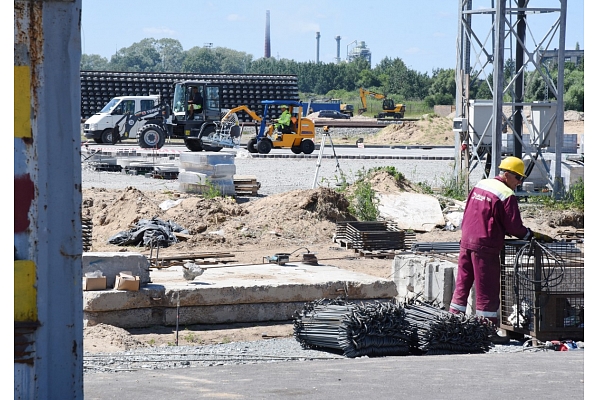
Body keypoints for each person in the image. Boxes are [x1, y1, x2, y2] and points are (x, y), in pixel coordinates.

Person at [448, 156, 552, 343]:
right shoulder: (505, 194)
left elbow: (469, 212)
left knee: (463, 283)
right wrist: (531, 236)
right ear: (506, 174)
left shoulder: (481, 184)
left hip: (466, 241)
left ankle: (452, 322)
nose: (519, 183)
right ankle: (486, 330)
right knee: (487, 288)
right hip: (485, 245)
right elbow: (514, 227)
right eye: (518, 178)